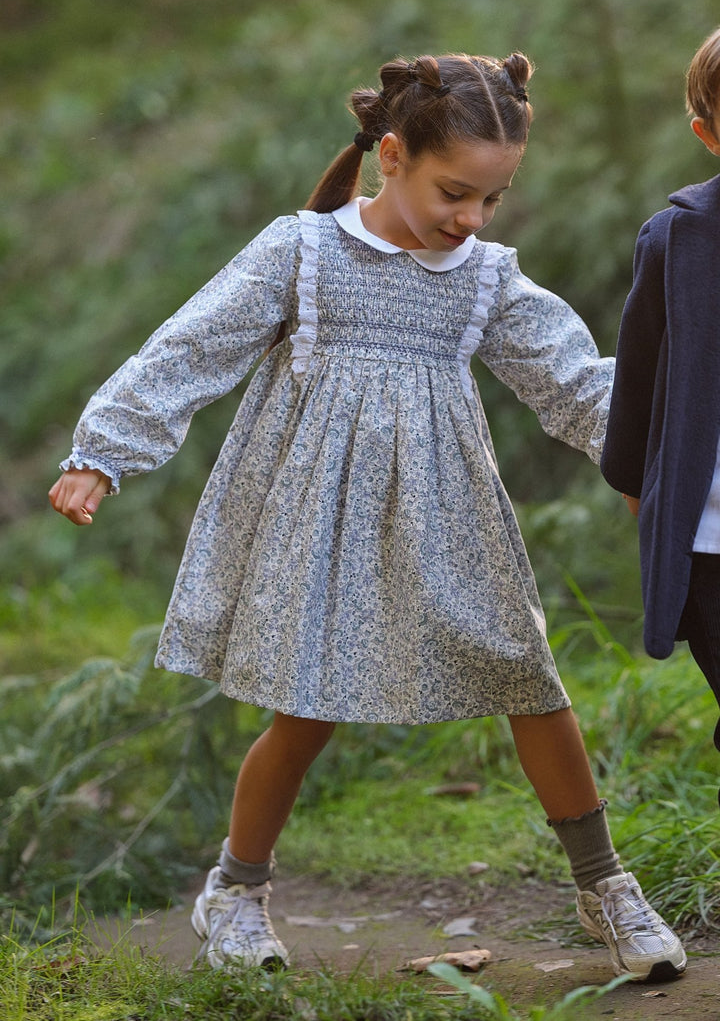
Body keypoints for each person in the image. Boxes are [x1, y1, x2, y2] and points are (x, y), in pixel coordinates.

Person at [49, 51, 686, 982]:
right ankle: (234, 889)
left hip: (448, 514)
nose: (469, 219)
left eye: (490, 202)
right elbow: (192, 346)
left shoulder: (484, 279)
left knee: (530, 675)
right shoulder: (301, 253)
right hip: (318, 515)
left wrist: (656, 452)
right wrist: (102, 451)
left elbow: (578, 381)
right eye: (453, 193)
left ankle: (606, 885)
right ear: (392, 154)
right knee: (304, 709)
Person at [602, 28, 720, 795]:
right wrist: (648, 498)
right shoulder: (678, 240)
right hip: (714, 539)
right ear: (707, 134)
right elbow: (637, 388)